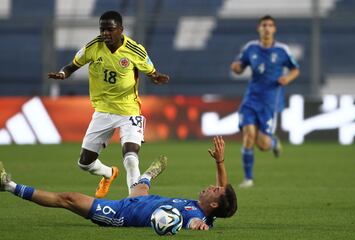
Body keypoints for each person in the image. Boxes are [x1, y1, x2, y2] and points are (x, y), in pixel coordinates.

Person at [48, 11, 170, 197]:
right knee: (85, 163)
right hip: (103, 112)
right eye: (102, 29)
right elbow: (72, 66)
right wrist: (63, 74)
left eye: (109, 29)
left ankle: (134, 202)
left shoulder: (135, 50)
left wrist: (157, 77)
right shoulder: (93, 46)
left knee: (131, 158)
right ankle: (108, 173)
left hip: (128, 111)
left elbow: (152, 72)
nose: (105, 33)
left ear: (120, 30)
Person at [0, 136, 237, 230]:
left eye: (214, 190)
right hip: (142, 200)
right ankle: (149, 175)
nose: (211, 186)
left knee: (68, 198)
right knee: (141, 184)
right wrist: (220, 162)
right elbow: (223, 190)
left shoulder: (197, 216)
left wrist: (198, 227)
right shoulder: (207, 208)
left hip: (121, 213)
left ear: (214, 205)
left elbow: (194, 223)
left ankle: (8, 186)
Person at [230, 15, 300, 188]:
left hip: (270, 101)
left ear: (274, 29)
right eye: (264, 25)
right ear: (259, 28)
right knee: (248, 136)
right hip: (251, 99)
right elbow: (240, 66)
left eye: (270, 25)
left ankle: (273, 143)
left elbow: (295, 69)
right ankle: (248, 179)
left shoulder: (282, 50)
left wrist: (287, 78)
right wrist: (236, 68)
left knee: (263, 144)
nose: (267, 28)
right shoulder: (251, 48)